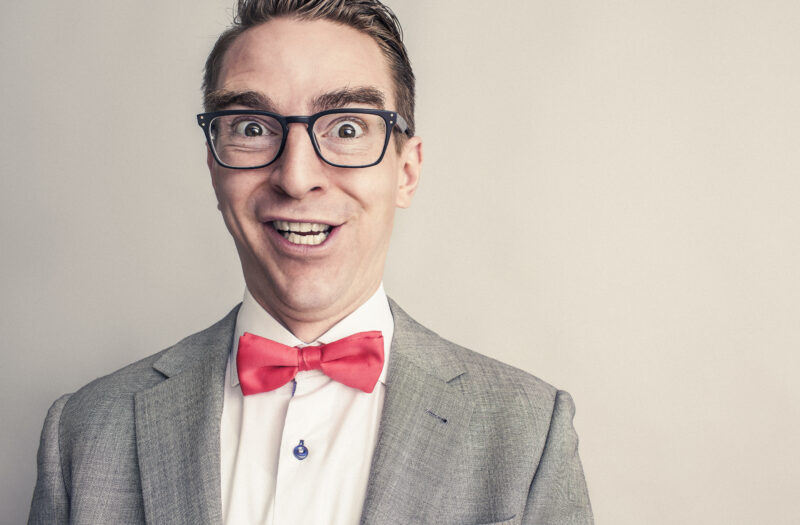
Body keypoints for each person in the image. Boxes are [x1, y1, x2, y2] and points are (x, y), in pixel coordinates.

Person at [28, 1, 593, 523]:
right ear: (213, 166)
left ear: (407, 171)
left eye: (347, 128)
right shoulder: (83, 431)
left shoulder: (528, 434)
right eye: (252, 128)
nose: (297, 178)